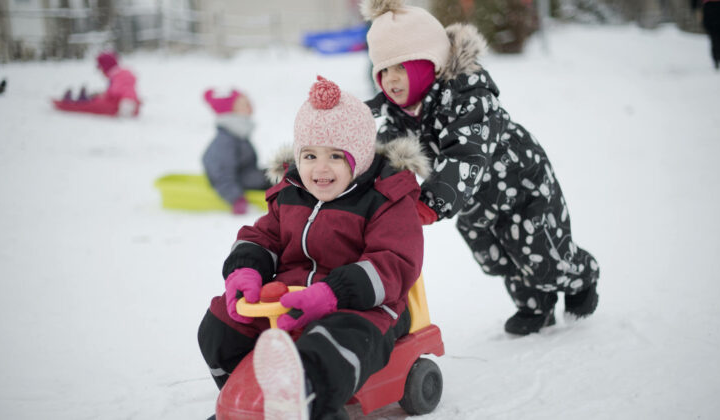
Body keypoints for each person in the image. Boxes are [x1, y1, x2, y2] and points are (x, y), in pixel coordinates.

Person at [361, 0, 600, 335]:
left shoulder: (469, 97)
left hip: (522, 185)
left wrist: (430, 203)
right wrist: (374, 198)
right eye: (383, 70)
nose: (391, 79)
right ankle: (535, 306)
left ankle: (581, 277)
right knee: (496, 255)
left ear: (431, 63)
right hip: (474, 199)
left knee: (542, 256)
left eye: (401, 67)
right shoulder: (398, 113)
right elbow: (388, 159)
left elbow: (465, 154)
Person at [197, 76, 429, 419]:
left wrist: (333, 293)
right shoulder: (291, 192)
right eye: (309, 155)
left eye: (336, 156)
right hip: (289, 301)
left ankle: (310, 406)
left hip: (364, 307)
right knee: (219, 324)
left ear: (361, 157)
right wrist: (244, 269)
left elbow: (393, 263)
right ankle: (251, 402)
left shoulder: (386, 199)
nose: (320, 169)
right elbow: (263, 236)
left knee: (330, 344)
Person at [201, 88, 271, 214]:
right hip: (242, 184)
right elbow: (221, 175)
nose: (251, 107)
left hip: (251, 178)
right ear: (231, 110)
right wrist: (236, 199)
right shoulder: (225, 141)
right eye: (245, 104)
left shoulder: (237, 134)